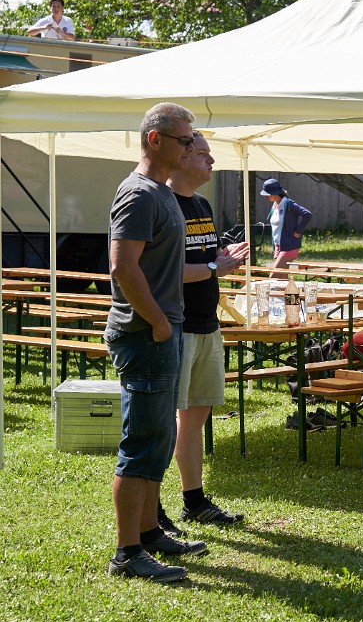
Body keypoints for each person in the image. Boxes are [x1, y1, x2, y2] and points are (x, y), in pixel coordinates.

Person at [104, 103, 206, 583]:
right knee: (142, 443)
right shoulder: (139, 194)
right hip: (146, 335)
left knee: (160, 438)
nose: (191, 147)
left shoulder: (162, 193)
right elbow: (123, 268)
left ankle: (148, 534)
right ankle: (127, 553)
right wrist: (160, 324)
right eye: (185, 140)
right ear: (155, 140)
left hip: (162, 332)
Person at [157, 132, 249, 536]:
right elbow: (164, 272)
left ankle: (194, 501)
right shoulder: (161, 202)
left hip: (206, 325)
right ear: (183, 157)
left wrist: (220, 260)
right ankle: (152, 509)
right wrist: (216, 269)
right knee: (161, 422)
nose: (212, 162)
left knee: (194, 417)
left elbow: (201, 258)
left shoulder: (201, 204)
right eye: (205, 155)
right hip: (176, 327)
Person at [260, 178, 312, 278]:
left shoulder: (288, 204)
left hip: (289, 246)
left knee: (273, 277)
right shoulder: (275, 205)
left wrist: (298, 231)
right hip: (278, 246)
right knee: (281, 279)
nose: (265, 197)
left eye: (267, 194)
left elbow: (307, 214)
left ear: (275, 193)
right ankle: (290, 294)